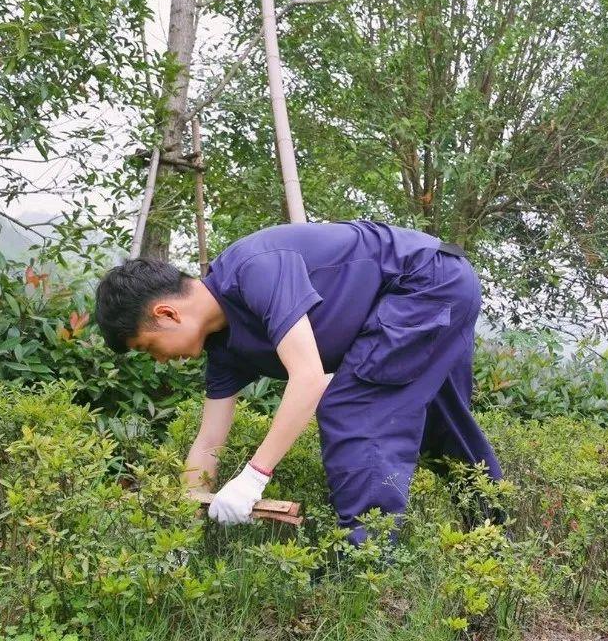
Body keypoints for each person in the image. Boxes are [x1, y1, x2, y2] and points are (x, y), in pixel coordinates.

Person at [94, 221, 502, 544]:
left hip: (426, 282)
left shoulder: (254, 269)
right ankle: (495, 532)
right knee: (439, 418)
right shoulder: (223, 348)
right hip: (432, 287)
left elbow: (309, 379)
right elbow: (208, 442)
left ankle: (367, 562)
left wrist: (254, 478)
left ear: (167, 314)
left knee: (352, 408)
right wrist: (180, 531)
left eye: (150, 347)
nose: (160, 360)